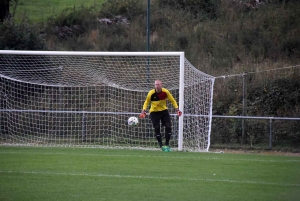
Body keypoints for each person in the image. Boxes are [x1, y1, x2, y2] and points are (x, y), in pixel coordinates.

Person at [140, 80, 182, 151]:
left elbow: (173, 100)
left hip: (163, 112)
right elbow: (146, 102)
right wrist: (143, 110)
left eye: (158, 84)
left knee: (168, 126)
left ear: (161, 85)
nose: (157, 86)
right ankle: (161, 145)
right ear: (154, 86)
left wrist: (177, 109)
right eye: (156, 85)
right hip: (154, 112)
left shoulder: (166, 92)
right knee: (157, 128)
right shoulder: (151, 93)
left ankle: (167, 144)